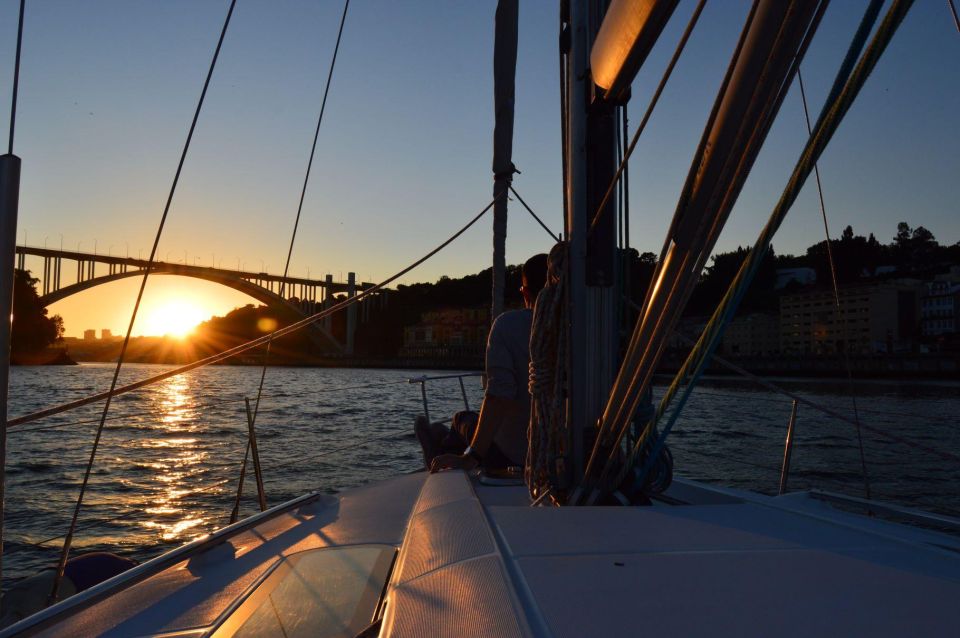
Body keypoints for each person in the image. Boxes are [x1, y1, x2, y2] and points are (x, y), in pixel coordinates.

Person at [418, 253, 548, 473]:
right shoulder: (591, 328)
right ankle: (442, 440)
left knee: (461, 418)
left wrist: (472, 457)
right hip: (576, 459)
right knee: (463, 422)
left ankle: (439, 452)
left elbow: (499, 395)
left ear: (525, 293)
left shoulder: (508, 326)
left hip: (511, 457)